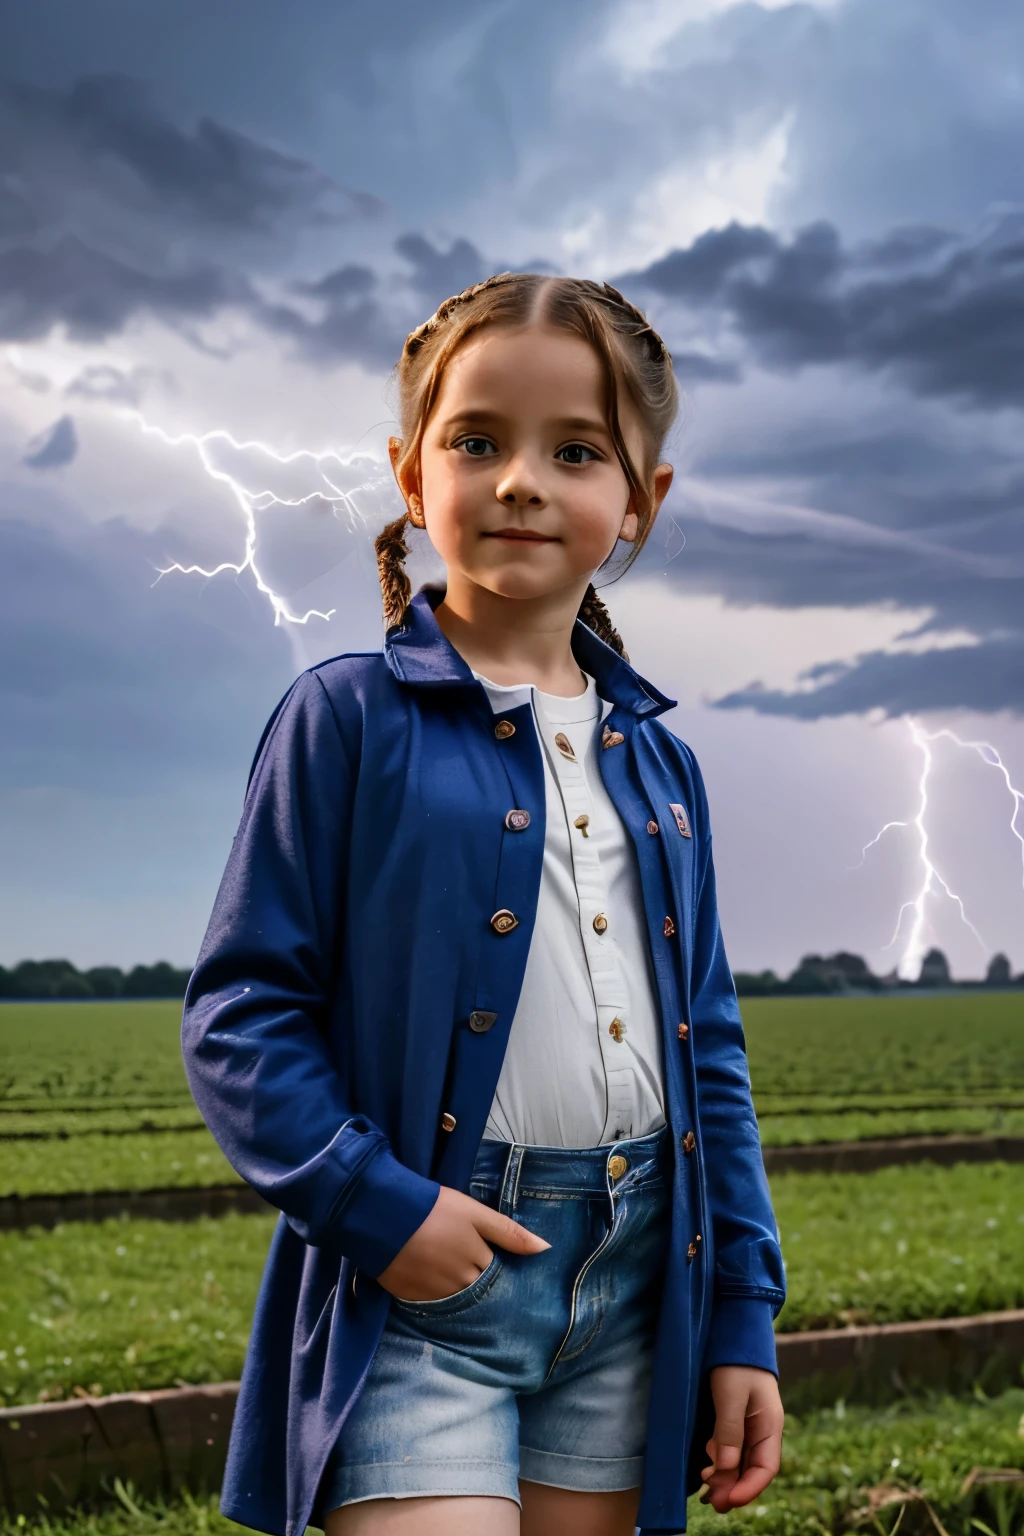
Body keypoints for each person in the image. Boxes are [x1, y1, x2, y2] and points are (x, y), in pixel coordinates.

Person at [181, 272, 786, 1536]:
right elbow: (242, 1012)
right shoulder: (344, 721)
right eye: (476, 441)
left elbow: (709, 1052)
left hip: (634, 1281)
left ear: (640, 502)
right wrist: (381, 1212)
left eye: (576, 450)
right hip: (425, 1286)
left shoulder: (663, 764)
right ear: (412, 475)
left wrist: (741, 1312)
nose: (520, 480)